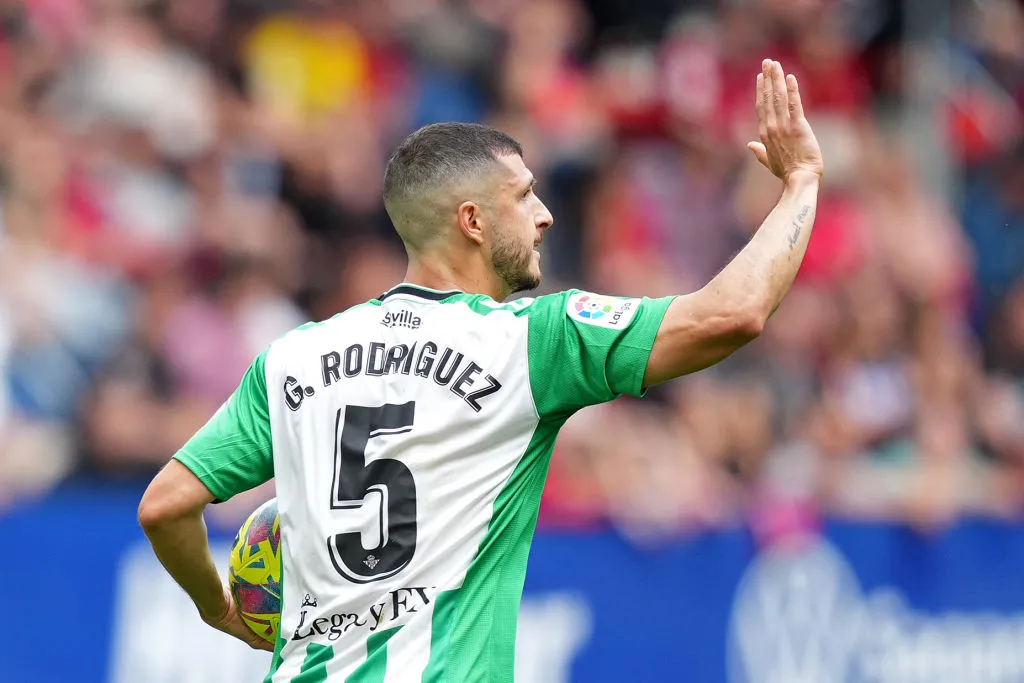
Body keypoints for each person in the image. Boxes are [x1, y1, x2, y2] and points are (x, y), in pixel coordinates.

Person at [138, 59, 823, 682]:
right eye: (524, 196)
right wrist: (800, 183)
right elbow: (731, 315)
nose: (546, 215)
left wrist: (219, 606)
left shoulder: (292, 356)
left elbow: (167, 504)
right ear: (471, 219)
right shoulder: (531, 341)